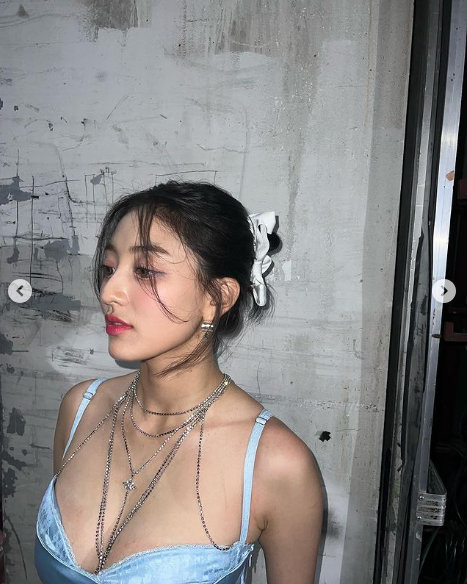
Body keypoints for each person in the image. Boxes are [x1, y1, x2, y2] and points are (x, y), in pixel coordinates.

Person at [35, 181, 323, 584]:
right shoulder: (81, 408)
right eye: (109, 268)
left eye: (145, 271)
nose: (109, 292)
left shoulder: (275, 464)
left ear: (217, 297)